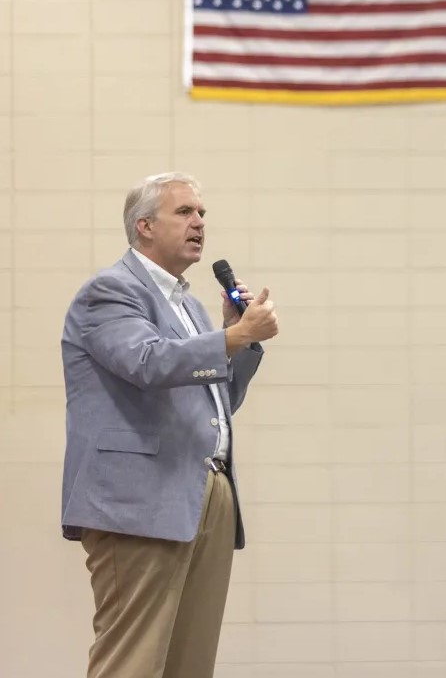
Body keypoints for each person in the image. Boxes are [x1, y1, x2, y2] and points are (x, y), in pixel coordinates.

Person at [60, 172, 279, 678]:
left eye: (202, 213)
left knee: (190, 661)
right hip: (138, 500)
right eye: (184, 212)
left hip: (205, 490)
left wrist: (237, 337)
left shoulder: (191, 308)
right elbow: (146, 362)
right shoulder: (110, 291)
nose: (199, 222)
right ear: (144, 226)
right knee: (132, 661)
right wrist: (229, 339)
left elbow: (219, 401)